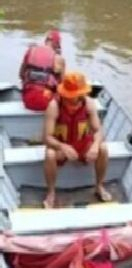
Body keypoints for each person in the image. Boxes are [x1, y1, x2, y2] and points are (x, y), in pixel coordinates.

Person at [42, 71, 112, 209]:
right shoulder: (54, 106)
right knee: (49, 154)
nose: (73, 98)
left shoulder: (89, 103)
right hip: (62, 145)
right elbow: (46, 138)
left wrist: (95, 146)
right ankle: (51, 192)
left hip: (82, 144)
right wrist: (63, 147)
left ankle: (99, 186)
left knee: (103, 148)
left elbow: (98, 130)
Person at [19, 29, 65, 111]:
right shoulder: (59, 59)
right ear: (57, 44)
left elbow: (21, 75)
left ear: (46, 40)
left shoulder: (31, 50)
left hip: (27, 100)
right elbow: (63, 85)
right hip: (47, 102)